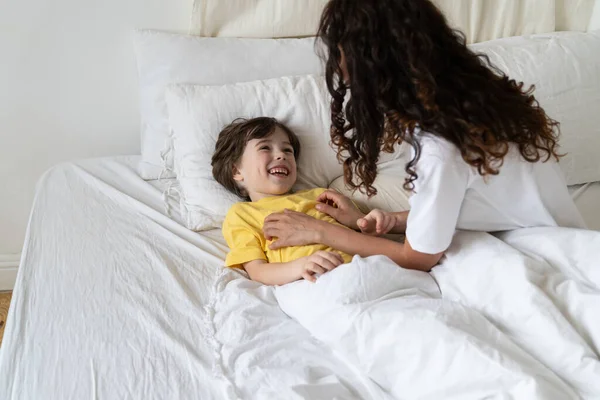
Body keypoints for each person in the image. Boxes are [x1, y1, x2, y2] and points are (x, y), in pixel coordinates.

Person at [262, 0, 586, 272]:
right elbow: (485, 203)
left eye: (346, 65)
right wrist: (392, 220)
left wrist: (321, 231)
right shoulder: (476, 99)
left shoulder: (442, 145)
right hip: (562, 236)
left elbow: (417, 258)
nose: (343, 75)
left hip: (543, 257)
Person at [212, 117, 387, 285]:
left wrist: (364, 220)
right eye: (265, 147)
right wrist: (301, 266)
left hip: (366, 268)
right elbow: (257, 272)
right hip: (310, 281)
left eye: (288, 150)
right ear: (236, 171)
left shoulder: (322, 195)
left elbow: (363, 234)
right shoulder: (242, 214)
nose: (281, 155)